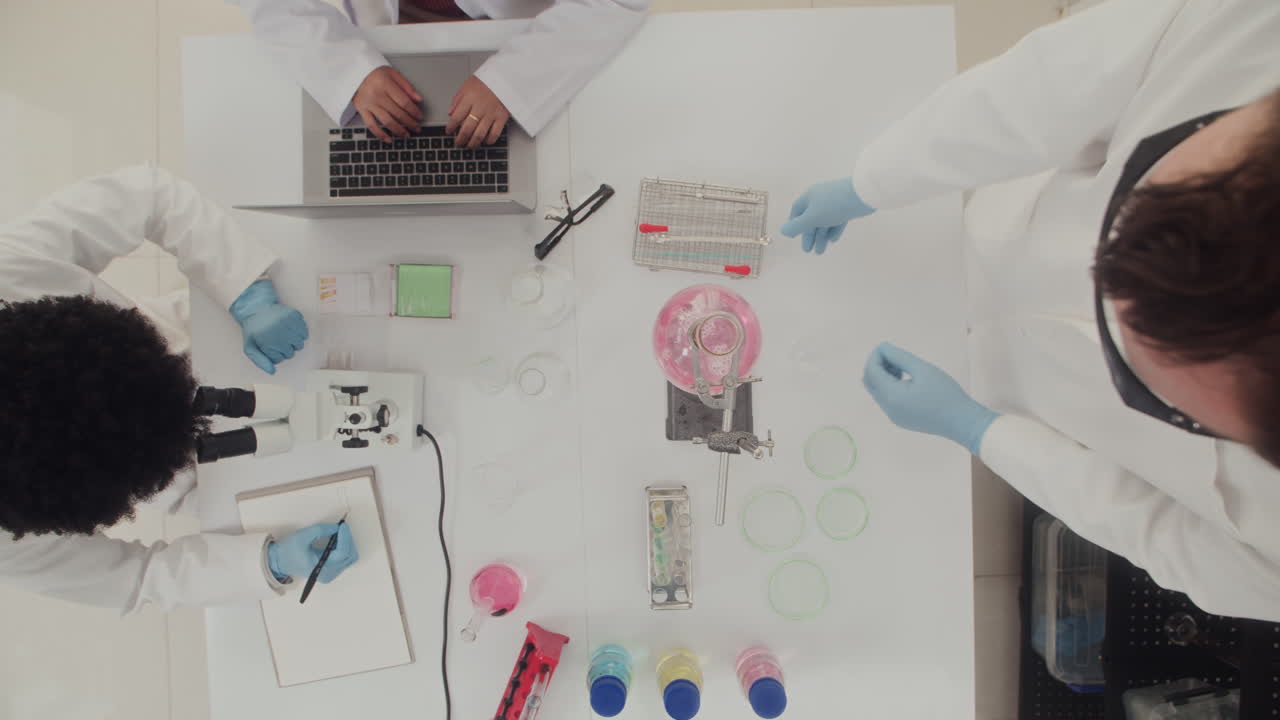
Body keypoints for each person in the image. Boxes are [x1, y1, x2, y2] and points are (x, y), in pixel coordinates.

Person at [782, 0, 1280, 622]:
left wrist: (981, 429)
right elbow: (1050, 87)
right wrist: (878, 178)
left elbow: (1157, 533)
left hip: (1019, 395)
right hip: (985, 232)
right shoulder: (1258, 29)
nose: (1096, 305)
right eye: (1131, 214)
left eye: (1137, 378)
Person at [0, 165, 357, 612]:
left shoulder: (9, 273)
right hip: (196, 478)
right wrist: (268, 564)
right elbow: (139, 580)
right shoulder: (7, 539)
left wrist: (245, 291)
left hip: (213, 337)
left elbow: (149, 197)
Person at [231, 0, 650, 147]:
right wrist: (346, 69)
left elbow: (616, 1)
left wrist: (511, 83)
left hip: (540, 43)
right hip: (393, 50)